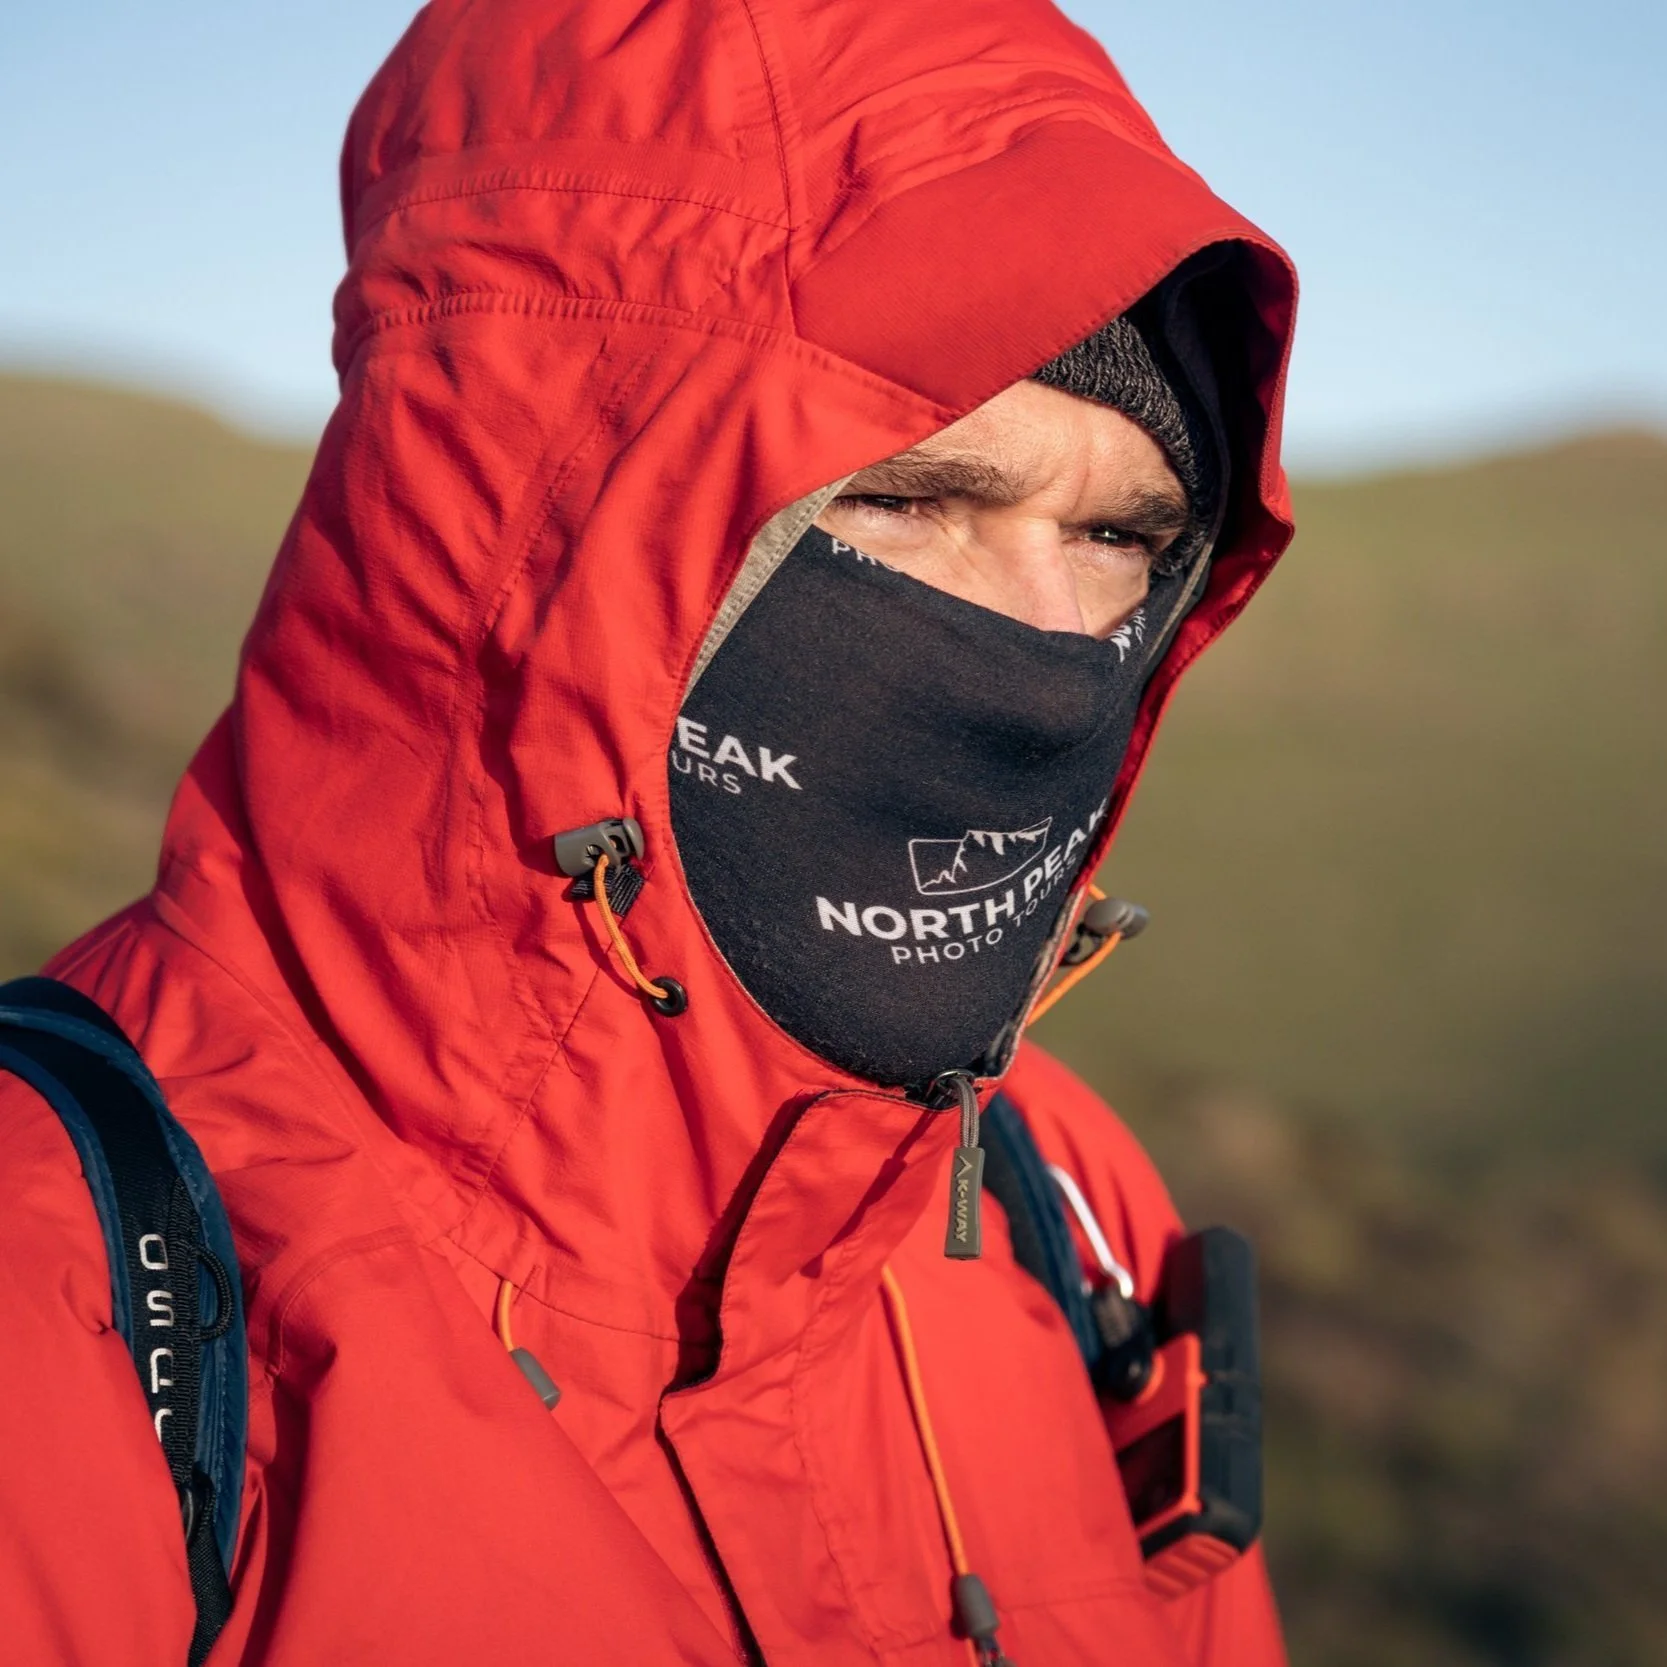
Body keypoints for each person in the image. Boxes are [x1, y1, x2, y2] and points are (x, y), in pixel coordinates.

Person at [0, 0, 1297, 1661]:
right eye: (906, 499)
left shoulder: (1059, 1199)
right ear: (515, 512)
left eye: (1120, 534)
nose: (1050, 634)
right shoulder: (76, 1301)